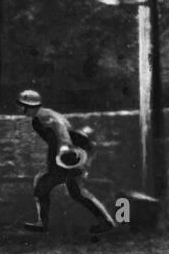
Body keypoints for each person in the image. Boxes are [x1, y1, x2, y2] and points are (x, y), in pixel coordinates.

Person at [18, 89, 114, 234]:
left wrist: (64, 149)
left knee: (43, 185)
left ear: (28, 106)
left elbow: (61, 131)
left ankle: (42, 224)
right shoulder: (44, 114)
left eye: (22, 105)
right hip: (71, 155)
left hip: (68, 157)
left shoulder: (41, 117)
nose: (20, 108)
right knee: (76, 192)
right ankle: (106, 222)